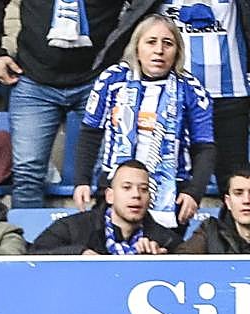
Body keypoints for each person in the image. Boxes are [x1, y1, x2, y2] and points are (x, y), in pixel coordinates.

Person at [74, 14, 214, 228]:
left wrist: (194, 192)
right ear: (137, 48)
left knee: (161, 255)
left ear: (177, 52)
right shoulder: (112, 79)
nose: (159, 50)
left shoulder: (191, 88)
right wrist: (82, 180)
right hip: (115, 187)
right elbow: (91, 132)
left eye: (168, 43)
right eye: (151, 42)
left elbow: (204, 146)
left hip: (172, 191)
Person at [96, 1, 250, 195]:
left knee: (235, 180)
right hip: (175, 97)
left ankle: (230, 226)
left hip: (231, 95)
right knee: (165, 174)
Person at [0, 0, 122, 208]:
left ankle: (103, 238)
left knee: (105, 173)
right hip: (33, 80)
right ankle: (28, 240)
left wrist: (125, 56)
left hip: (98, 80)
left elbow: (144, 6)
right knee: (27, 174)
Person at [32, 158, 182, 254]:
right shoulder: (74, 227)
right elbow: (33, 255)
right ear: (110, 196)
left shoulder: (165, 239)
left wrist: (160, 263)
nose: (136, 195)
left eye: (143, 189)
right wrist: (78, 253)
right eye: (126, 187)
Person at [179, 167, 250, 253]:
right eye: (238, 193)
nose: (246, 200)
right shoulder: (211, 232)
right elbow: (182, 262)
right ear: (228, 202)